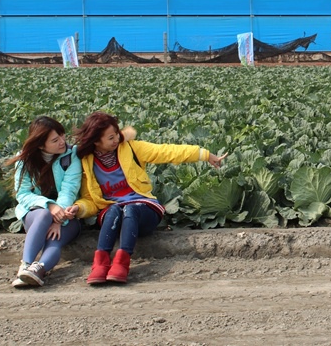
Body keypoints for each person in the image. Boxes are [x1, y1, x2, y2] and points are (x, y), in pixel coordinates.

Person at [68, 111, 226, 285]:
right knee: (113, 209)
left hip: (144, 208)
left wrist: (204, 155)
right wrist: (79, 208)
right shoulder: (87, 163)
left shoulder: (132, 148)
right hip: (113, 211)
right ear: (96, 141)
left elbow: (166, 152)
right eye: (111, 138)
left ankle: (122, 262)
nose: (117, 140)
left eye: (117, 134)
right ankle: (100, 264)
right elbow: (89, 199)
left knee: (131, 208)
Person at [6, 116, 82, 288]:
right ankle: (25, 266)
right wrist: (49, 205)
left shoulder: (71, 156)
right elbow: (23, 194)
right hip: (36, 214)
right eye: (55, 140)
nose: (62, 142)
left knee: (54, 241)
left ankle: (37, 271)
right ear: (41, 145)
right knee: (43, 214)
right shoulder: (25, 160)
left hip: (68, 215)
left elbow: (69, 189)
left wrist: (59, 218)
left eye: (62, 136)